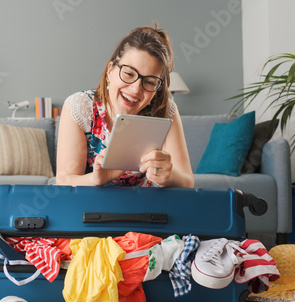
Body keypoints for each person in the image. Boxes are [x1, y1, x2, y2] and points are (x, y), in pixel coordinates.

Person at [56, 23, 194, 188]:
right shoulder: (80, 107)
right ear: (110, 71)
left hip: (143, 210)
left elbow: (188, 182)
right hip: (90, 209)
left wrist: (169, 176)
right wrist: (96, 179)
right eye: (129, 73)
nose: (136, 89)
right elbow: (64, 181)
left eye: (149, 82)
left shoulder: (165, 109)